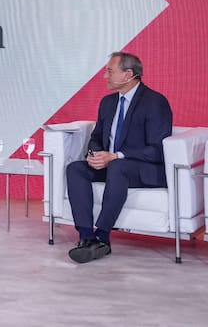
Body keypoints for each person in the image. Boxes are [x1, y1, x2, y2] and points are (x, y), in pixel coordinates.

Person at [66, 52, 172, 263]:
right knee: (75, 168)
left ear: (128, 74)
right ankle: (87, 237)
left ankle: (103, 236)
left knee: (118, 167)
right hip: (113, 165)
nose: (105, 76)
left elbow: (158, 150)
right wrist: (94, 154)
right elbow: (96, 137)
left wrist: (116, 156)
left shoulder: (155, 102)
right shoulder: (108, 102)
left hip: (144, 169)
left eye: (110, 71)